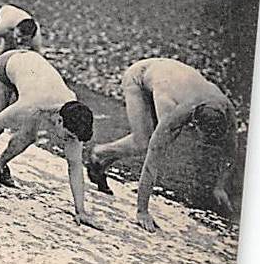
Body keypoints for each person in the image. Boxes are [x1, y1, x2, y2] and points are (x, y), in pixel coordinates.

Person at [0, 49, 102, 229]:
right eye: (69, 136)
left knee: (28, 136)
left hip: (33, 74)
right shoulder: (32, 105)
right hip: (6, 67)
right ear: (58, 120)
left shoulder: (72, 113)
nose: (69, 141)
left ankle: (0, 163)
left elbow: (74, 164)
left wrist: (80, 210)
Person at [89, 58, 237, 232]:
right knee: (143, 142)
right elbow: (154, 157)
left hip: (166, 74)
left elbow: (231, 150)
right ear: (194, 120)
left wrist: (220, 186)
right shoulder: (173, 110)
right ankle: (99, 154)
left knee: (147, 140)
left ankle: (102, 161)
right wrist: (142, 211)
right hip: (138, 77)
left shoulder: (226, 107)